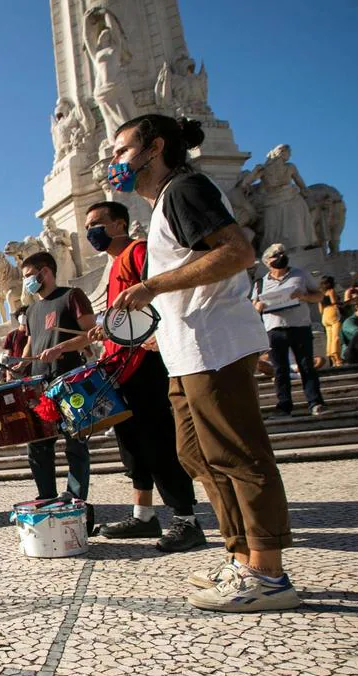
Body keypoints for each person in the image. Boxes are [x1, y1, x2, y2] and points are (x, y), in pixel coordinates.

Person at [109, 113, 299, 612]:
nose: (114, 163)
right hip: (184, 347)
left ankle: (268, 572)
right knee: (196, 454)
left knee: (238, 452)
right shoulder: (165, 204)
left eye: (121, 151)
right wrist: (159, 330)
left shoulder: (185, 189)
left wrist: (151, 287)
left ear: (154, 148)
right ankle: (240, 558)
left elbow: (237, 252)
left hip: (214, 343)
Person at [84, 200, 204, 552]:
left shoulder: (138, 252)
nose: (92, 231)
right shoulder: (112, 266)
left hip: (146, 362)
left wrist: (159, 333)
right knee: (133, 447)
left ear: (119, 223)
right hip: (121, 366)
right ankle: (144, 515)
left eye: (98, 223)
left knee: (158, 442)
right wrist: (105, 331)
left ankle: (186, 519)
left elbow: (163, 293)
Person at [18, 251, 95, 517]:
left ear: (45, 272)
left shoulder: (71, 296)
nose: (27, 282)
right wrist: (20, 364)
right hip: (40, 384)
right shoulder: (31, 310)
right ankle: (47, 497)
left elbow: (91, 333)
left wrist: (62, 348)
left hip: (70, 381)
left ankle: (75, 499)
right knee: (37, 445)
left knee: (75, 443)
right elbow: (31, 343)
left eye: (29, 276)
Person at [251, 243, 327, 417]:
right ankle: (284, 405)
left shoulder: (300, 275)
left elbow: (319, 295)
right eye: (275, 255)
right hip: (275, 329)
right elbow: (254, 307)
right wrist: (259, 306)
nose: (280, 257)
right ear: (267, 262)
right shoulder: (260, 283)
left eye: (282, 253)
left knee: (307, 365)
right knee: (280, 369)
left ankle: (315, 402)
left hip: (299, 326)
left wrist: (303, 296)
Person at [319, 276, 344, 368]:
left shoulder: (321, 294)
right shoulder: (331, 291)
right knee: (336, 336)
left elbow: (320, 309)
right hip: (332, 312)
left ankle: (332, 358)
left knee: (329, 338)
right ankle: (338, 358)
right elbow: (334, 302)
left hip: (324, 315)